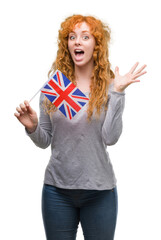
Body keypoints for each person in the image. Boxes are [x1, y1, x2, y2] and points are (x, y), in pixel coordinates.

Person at [14, 14, 147, 240]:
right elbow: (44, 141)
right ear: (66, 43)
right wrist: (33, 127)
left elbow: (110, 138)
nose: (77, 41)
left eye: (85, 37)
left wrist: (118, 93)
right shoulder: (55, 86)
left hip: (100, 191)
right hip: (56, 191)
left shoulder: (109, 86)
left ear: (96, 44)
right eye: (72, 36)